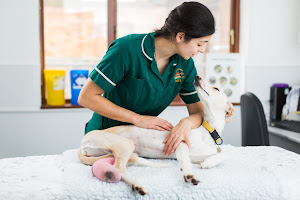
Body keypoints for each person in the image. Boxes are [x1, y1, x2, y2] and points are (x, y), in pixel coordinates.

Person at [79, 2, 216, 157]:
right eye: (200, 44)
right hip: (103, 139)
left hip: (139, 144)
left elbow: (198, 112)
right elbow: (86, 97)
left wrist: (187, 123)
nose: (202, 50)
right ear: (180, 36)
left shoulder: (186, 65)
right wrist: (137, 119)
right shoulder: (126, 49)